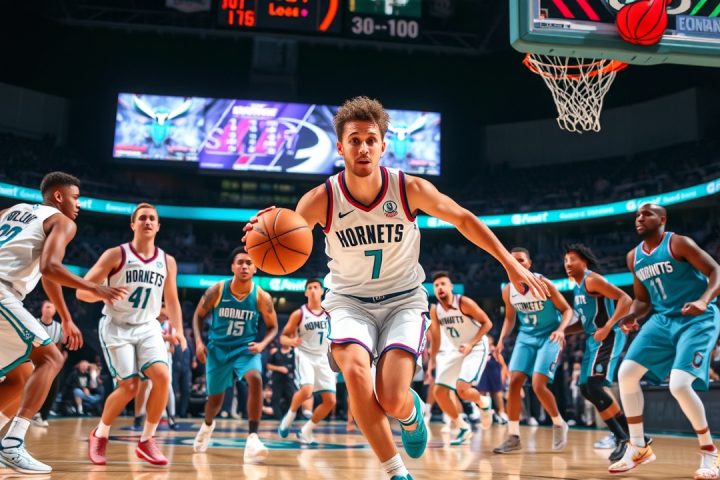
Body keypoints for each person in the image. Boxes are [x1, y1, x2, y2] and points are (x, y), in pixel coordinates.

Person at [243, 96, 548, 480]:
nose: (363, 148)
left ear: (384, 145)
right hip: (349, 302)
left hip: (403, 301)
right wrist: (262, 231)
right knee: (356, 375)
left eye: (371, 140)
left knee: (390, 398)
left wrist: (509, 264)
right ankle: (396, 472)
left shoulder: (408, 188)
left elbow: (463, 219)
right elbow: (281, 236)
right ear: (340, 147)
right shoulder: (322, 199)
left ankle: (410, 412)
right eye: (354, 140)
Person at [0, 172, 124, 474]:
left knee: (21, 374)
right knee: (52, 358)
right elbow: (50, 267)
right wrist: (94, 287)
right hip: (3, 290)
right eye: (76, 197)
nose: (78, 205)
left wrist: (66, 318)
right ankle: (12, 443)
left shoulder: (12, 211)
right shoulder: (63, 222)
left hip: (7, 293)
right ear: (58, 196)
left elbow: (48, 275)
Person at [608, 204, 720, 478]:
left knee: (679, 385)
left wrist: (703, 300)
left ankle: (710, 452)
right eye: (637, 215)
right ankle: (638, 447)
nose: (640, 218)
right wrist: (631, 316)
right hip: (662, 320)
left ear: (662, 219)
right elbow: (643, 300)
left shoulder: (679, 243)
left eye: (647, 214)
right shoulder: (633, 257)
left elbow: (716, 271)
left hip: (696, 318)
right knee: (626, 374)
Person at [79, 202, 187, 467]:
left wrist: (179, 330)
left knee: (162, 377)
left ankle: (147, 440)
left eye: (152, 218)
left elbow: (172, 300)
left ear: (158, 226)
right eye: (142, 218)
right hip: (117, 326)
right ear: (133, 224)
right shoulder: (115, 255)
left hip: (148, 326)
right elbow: (81, 292)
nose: (147, 222)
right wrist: (101, 292)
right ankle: (100, 434)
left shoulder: (167, 261)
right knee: (130, 387)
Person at [192, 248, 278, 464]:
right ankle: (207, 425)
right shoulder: (217, 290)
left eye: (249, 263)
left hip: (244, 349)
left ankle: (253, 438)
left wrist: (262, 344)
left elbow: (273, 327)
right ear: (232, 266)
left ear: (255, 268)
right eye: (240, 262)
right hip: (218, 350)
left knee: (256, 379)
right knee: (215, 401)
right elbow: (198, 316)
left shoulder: (262, 296)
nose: (244, 266)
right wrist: (199, 343)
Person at [493, 247, 574, 454]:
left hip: (549, 335)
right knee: (514, 383)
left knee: (538, 385)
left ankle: (559, 423)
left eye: (521, 260)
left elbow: (567, 310)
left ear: (529, 264)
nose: (517, 263)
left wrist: (561, 330)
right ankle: (513, 436)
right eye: (513, 260)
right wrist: (501, 339)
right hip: (526, 337)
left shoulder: (543, 283)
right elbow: (510, 318)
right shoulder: (507, 290)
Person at [564, 243, 634, 461]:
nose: (568, 264)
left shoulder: (592, 280)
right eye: (565, 260)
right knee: (586, 389)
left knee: (595, 385)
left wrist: (608, 326)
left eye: (572, 259)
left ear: (584, 262)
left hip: (608, 336)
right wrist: (561, 331)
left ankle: (624, 437)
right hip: (593, 339)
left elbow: (625, 299)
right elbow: (585, 323)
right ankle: (626, 435)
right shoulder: (576, 287)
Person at [428, 271, 493, 445]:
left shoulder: (464, 302)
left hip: (476, 346)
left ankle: (483, 402)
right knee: (439, 392)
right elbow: (436, 338)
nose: (440, 288)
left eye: (443, 284)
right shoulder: (435, 310)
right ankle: (463, 428)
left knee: (462, 389)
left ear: (451, 287)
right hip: (458, 349)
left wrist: (471, 343)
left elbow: (487, 323)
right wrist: (431, 363)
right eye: (436, 285)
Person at [278, 279, 336, 444]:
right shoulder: (299, 313)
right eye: (309, 288)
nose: (312, 290)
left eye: (316, 287)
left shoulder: (330, 313)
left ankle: (306, 431)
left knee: (330, 401)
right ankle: (289, 417)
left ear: (322, 291)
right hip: (305, 355)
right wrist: (291, 341)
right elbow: (283, 337)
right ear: (305, 293)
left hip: (324, 357)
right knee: (307, 390)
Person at [35, 300, 67, 427]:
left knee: (53, 389)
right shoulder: (34, 323)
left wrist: (59, 358)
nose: (49, 309)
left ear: (55, 311)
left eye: (52, 308)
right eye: (47, 307)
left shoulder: (59, 327)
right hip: (35, 361)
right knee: (35, 388)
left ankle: (43, 416)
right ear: (42, 309)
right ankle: (32, 412)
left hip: (52, 363)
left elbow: (60, 346)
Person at [477, 335, 509, 425]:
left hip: (495, 374)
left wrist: (503, 376)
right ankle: (482, 413)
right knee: (481, 393)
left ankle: (502, 413)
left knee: (498, 394)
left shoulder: (495, 351)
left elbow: (503, 365)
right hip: (483, 374)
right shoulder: (480, 350)